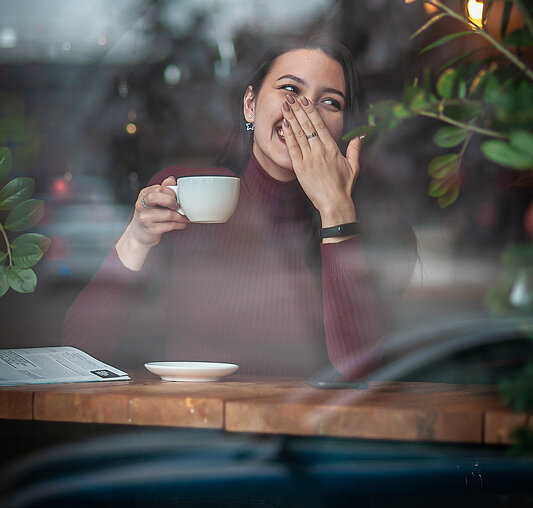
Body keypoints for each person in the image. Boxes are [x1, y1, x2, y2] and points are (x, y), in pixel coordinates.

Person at [62, 33, 415, 380]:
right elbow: (79, 352)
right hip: (193, 424)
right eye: (291, 89)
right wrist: (136, 239)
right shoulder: (187, 193)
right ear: (250, 104)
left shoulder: (364, 220)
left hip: (307, 429)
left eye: (330, 102)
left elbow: (360, 371)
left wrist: (336, 210)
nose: (305, 111)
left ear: (342, 128)